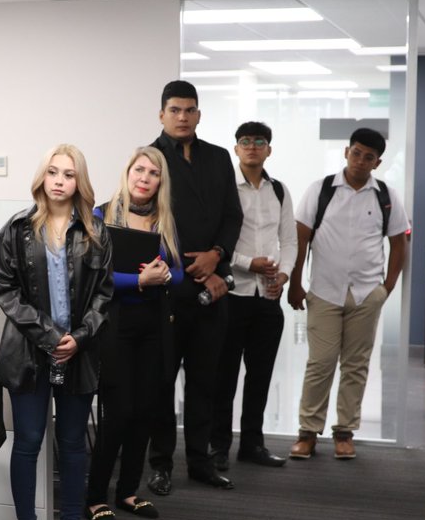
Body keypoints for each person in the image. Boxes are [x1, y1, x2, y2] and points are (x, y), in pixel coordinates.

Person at [0, 144, 113, 520]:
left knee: (74, 443)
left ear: (80, 181)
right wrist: (50, 338)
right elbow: (6, 291)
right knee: (28, 441)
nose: (60, 180)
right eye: (53, 172)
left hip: (78, 352)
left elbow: (103, 296)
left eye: (69, 174)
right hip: (29, 351)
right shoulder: (17, 229)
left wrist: (78, 338)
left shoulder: (96, 233)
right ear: (42, 178)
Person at [286, 127, 409, 460]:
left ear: (378, 162)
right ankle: (307, 432)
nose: (360, 160)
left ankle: (344, 432)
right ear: (346, 152)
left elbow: (399, 242)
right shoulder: (321, 190)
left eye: (368, 156)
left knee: (356, 365)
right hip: (324, 291)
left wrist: (387, 288)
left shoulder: (385, 195)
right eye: (356, 153)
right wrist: (295, 283)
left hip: (367, 293)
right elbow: (301, 239)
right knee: (321, 363)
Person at [145, 80, 244, 494]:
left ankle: (201, 462)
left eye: (190, 110)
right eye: (175, 110)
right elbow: (146, 219)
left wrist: (217, 257)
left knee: (207, 380)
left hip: (212, 289)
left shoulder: (219, 158)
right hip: (167, 289)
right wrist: (190, 267)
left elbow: (232, 216)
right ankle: (161, 464)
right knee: (162, 382)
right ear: (162, 114)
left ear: (199, 114)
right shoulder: (150, 159)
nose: (183, 117)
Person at [84, 148, 183, 520]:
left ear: (161, 181)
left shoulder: (166, 220)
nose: (145, 177)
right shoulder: (102, 215)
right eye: (139, 169)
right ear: (127, 173)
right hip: (115, 326)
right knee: (118, 413)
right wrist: (140, 280)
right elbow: (95, 275)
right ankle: (95, 498)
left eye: (153, 172)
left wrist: (165, 276)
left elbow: (180, 273)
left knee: (145, 411)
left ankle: (127, 491)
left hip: (154, 326)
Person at [210, 121, 295, 470]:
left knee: (260, 376)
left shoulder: (279, 190)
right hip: (232, 293)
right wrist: (250, 264)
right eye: (245, 141)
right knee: (224, 376)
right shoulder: (224, 188)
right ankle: (218, 447)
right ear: (236, 148)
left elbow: (290, 240)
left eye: (259, 142)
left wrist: (284, 274)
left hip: (268, 297)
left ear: (268, 149)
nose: (252, 147)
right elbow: (215, 241)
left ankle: (252, 444)